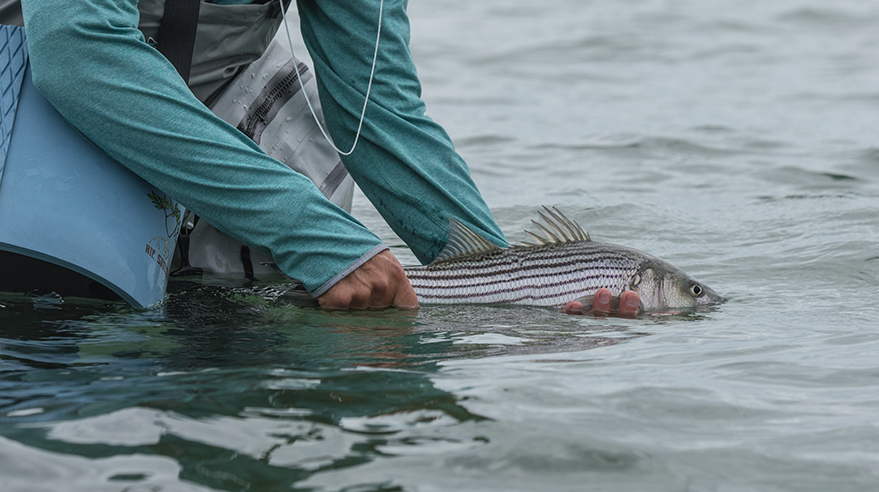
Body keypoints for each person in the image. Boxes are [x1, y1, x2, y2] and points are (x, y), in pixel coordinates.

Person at [19, 0, 638, 315]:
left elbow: (377, 111)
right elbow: (77, 49)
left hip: (206, 81)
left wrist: (510, 283)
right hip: (31, 67)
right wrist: (309, 230)